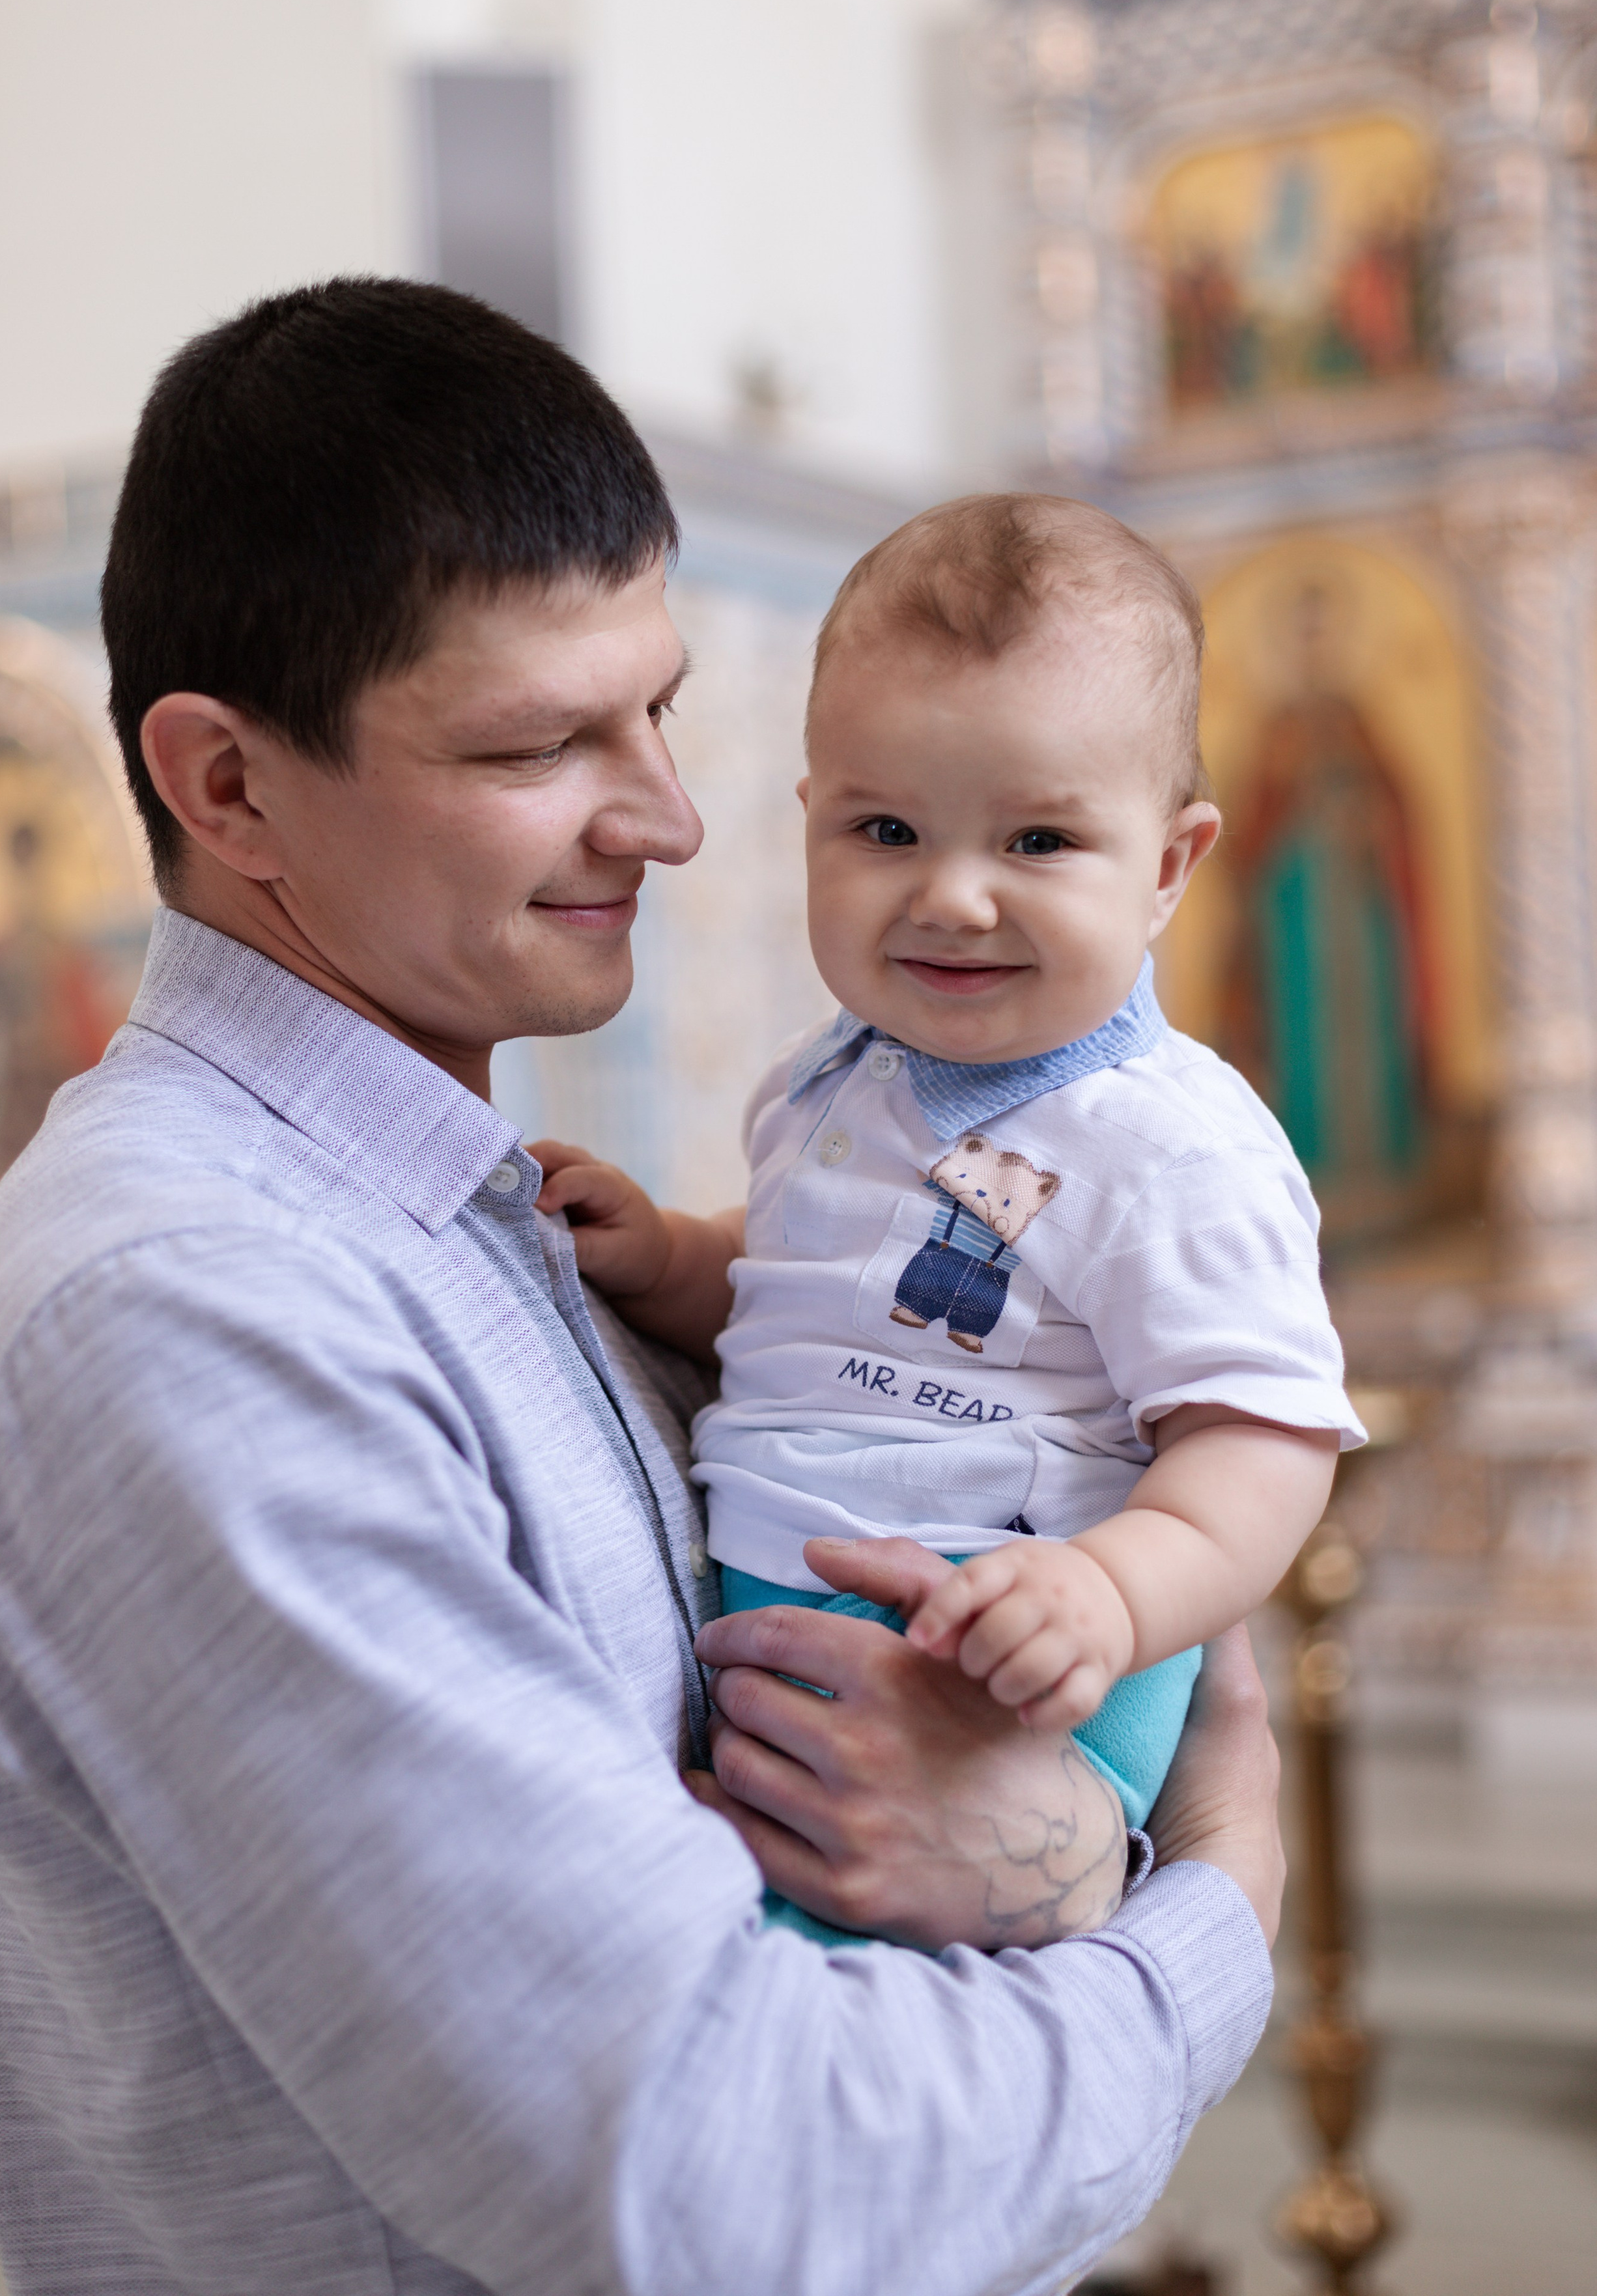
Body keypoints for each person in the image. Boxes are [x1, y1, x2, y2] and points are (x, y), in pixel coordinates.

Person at [0, 281, 1282, 2296]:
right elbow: (719, 2192)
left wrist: (1071, 1846)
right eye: (543, 742)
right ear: (225, 791)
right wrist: (1218, 1904)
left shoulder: (482, 1214)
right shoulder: (191, 1313)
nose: (663, 815)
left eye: (655, 708)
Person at [535, 494, 1362, 1899]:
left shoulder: (1169, 1147)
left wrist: (1110, 1590)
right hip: (789, 1633)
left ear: (1166, 867)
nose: (954, 898)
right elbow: (803, 1282)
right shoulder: (827, 1085)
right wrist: (670, 1254)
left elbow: (1264, 1440)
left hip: (1020, 1664)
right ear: (810, 823)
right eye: (887, 829)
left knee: (892, 1989)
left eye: (1036, 843)